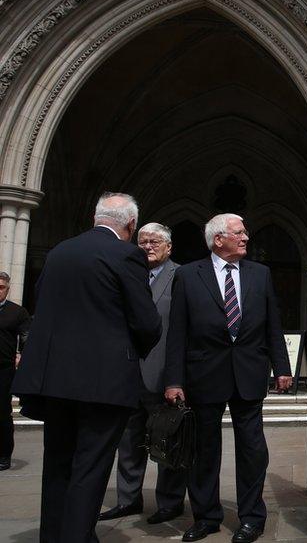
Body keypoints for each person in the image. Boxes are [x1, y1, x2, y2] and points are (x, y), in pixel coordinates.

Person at [12, 192, 161, 543]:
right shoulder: (127, 254)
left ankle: (54, 535)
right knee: (90, 468)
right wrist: (129, 352)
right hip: (103, 383)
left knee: (59, 464)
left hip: (55, 381)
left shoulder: (60, 251)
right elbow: (146, 321)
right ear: (130, 224)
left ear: (96, 218)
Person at [164, 213, 292, 543]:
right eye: (239, 232)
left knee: (252, 450)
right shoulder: (189, 275)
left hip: (248, 374)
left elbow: (272, 326)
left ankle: (252, 517)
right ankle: (206, 516)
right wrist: (173, 380)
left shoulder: (260, 274)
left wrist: (283, 368)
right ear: (218, 239)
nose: (246, 236)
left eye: (245, 231)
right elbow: (177, 331)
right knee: (204, 451)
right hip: (203, 375)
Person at [99, 223, 186, 524]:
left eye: (155, 242)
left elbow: (182, 330)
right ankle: (128, 499)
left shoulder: (181, 277)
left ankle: (170, 502)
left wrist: (177, 376)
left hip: (163, 375)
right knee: (128, 441)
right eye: (143, 242)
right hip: (126, 373)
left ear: (169, 247)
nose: (148, 247)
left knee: (167, 439)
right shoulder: (127, 274)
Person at [0, 271, 29, 471]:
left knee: (2, 413)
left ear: (8, 290)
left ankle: (3, 455)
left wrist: (22, 356)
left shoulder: (17, 312)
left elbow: (26, 337)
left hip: (3, 370)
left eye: (1, 287)